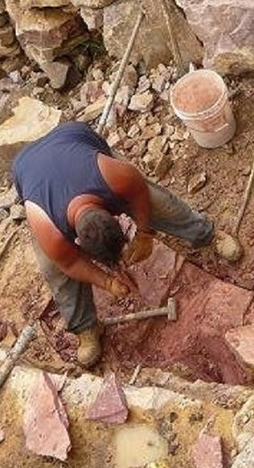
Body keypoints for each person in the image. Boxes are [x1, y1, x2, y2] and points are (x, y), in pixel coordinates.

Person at [13, 121, 226, 368]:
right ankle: (85, 327)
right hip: (28, 167)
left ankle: (206, 234)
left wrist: (145, 234)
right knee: (53, 268)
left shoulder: (114, 176)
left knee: (158, 201)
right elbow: (71, 263)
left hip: (72, 139)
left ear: (113, 214)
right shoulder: (48, 225)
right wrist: (107, 282)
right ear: (77, 241)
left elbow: (138, 193)